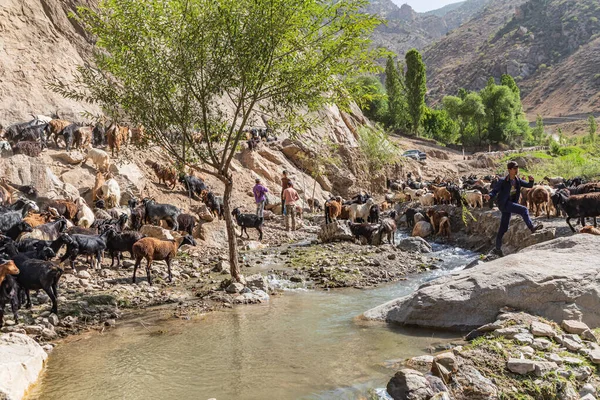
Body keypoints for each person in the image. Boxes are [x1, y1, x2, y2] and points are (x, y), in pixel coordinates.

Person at [484, 161, 543, 257]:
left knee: (504, 228)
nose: (517, 170)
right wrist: (489, 196)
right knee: (524, 210)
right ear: (509, 170)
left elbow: (529, 186)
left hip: (510, 204)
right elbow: (494, 191)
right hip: (504, 204)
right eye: (515, 168)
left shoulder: (517, 180)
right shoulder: (503, 181)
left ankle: (497, 249)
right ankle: (532, 228)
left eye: (517, 168)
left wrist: (531, 180)